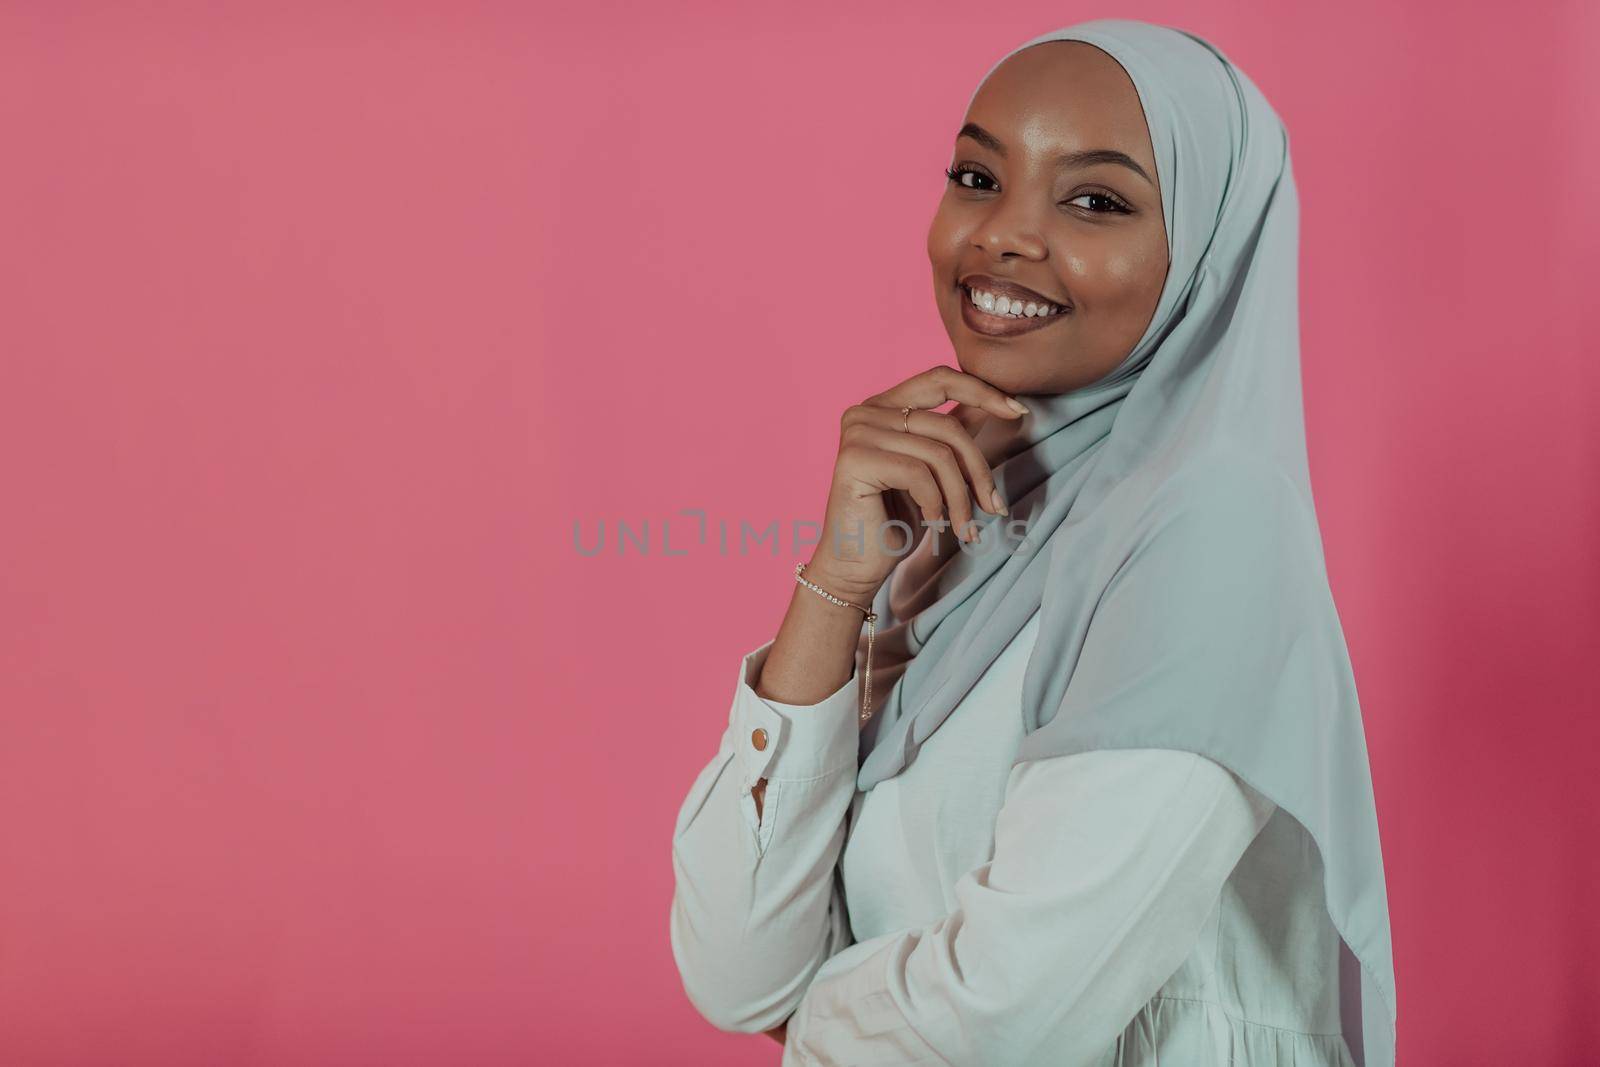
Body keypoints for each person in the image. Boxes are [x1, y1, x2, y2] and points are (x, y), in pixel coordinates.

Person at [668, 19, 1397, 1067]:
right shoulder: (970, 520)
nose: (1003, 235)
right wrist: (834, 582)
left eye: (1094, 199)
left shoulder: (1209, 532)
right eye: (976, 176)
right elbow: (736, 969)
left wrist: (813, 1013)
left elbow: (1006, 1018)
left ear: (1205, 250)